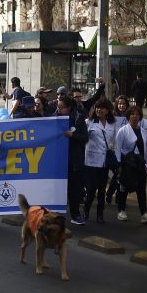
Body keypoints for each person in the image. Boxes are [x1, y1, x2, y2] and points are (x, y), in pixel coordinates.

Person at [115, 105, 147, 224]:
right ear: (128, 116)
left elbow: (146, 149)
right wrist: (118, 165)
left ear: (140, 116)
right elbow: (117, 148)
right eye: (132, 114)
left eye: (137, 114)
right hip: (127, 164)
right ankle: (121, 210)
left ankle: (144, 213)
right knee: (125, 187)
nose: (135, 116)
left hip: (140, 164)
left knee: (141, 189)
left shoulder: (144, 131)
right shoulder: (123, 130)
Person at [82, 100, 117, 223]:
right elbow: (82, 137)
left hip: (104, 162)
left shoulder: (112, 124)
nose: (99, 110)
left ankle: (100, 214)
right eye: (97, 108)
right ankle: (86, 210)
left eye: (102, 108)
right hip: (91, 162)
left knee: (102, 189)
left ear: (107, 110)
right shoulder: (89, 122)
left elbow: (114, 142)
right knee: (91, 189)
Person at [59, 95, 88, 225]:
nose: (59, 109)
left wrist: (73, 135)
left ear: (69, 107)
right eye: (58, 107)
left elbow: (85, 138)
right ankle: (57, 214)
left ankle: (75, 214)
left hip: (74, 161)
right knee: (58, 189)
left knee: (74, 190)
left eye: (61, 107)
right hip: (59, 161)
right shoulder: (56, 117)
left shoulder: (78, 118)